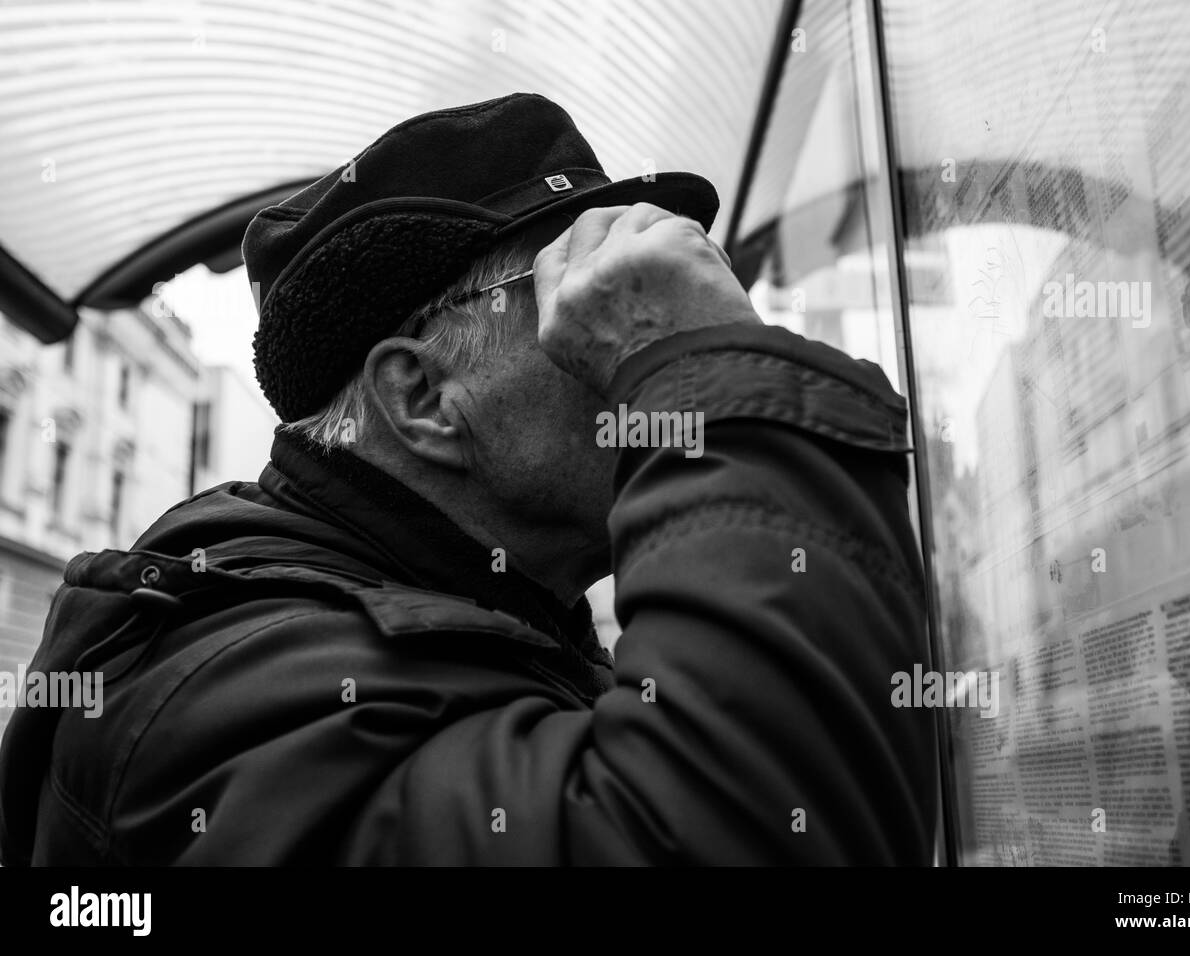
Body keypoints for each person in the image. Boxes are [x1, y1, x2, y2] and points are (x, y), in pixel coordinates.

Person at [0, 93, 936, 864]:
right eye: (584, 288)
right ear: (423, 395)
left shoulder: (482, 625)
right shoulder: (233, 700)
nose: (632, 329)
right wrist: (705, 377)